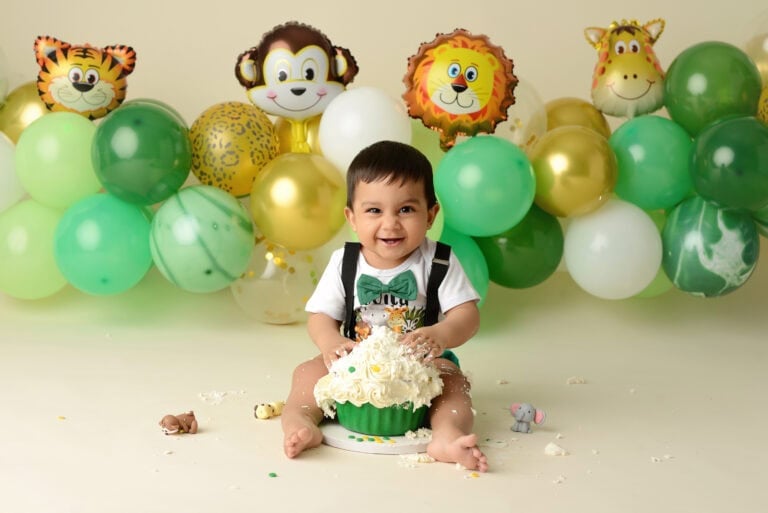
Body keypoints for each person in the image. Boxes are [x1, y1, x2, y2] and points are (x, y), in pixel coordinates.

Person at [281, 140, 487, 472]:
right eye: (374, 210)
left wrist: (441, 333)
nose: (390, 223)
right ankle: (300, 420)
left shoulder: (439, 262)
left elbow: (468, 315)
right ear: (351, 216)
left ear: (431, 214)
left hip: (422, 364)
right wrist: (330, 342)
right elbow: (320, 316)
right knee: (306, 373)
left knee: (454, 382)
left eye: (406, 209)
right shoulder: (343, 262)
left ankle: (447, 434)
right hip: (354, 364)